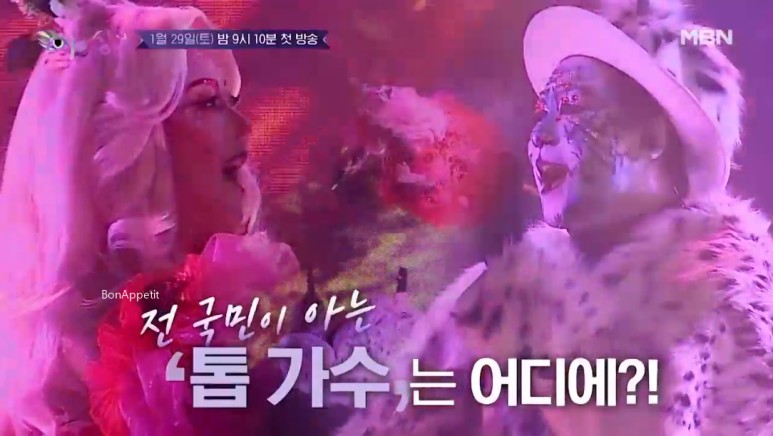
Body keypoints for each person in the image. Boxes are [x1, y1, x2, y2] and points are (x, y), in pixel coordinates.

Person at [336, 0, 773, 435]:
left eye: (571, 105)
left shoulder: (730, 319)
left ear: (650, 137)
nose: (540, 136)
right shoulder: (485, 303)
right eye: (540, 113)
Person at [0, 0, 298, 433]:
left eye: (230, 101)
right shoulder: (76, 388)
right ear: (127, 146)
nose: (245, 127)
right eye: (207, 102)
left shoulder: (256, 307)